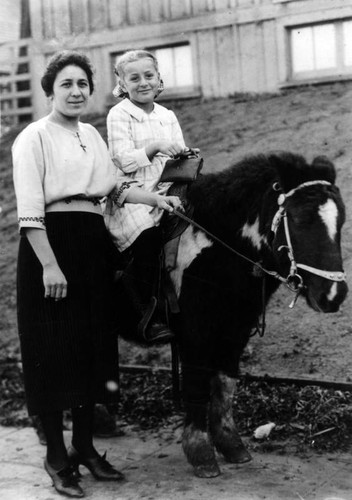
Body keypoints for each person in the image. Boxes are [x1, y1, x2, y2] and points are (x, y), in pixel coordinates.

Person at [12, 50, 181, 498]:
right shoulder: (33, 137)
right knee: (54, 348)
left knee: (91, 347)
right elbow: (29, 212)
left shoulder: (91, 134)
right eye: (66, 84)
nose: (75, 92)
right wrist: (49, 264)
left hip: (92, 242)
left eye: (82, 84)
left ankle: (86, 448)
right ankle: (56, 458)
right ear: (50, 91)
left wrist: (154, 199)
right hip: (50, 244)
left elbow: (114, 187)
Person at [105, 49, 190, 344]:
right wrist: (154, 147)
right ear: (122, 83)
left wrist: (185, 156)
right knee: (147, 234)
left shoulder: (167, 115)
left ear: (158, 78)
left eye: (148, 75)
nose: (143, 82)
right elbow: (122, 160)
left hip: (166, 187)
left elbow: (177, 154)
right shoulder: (119, 114)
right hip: (131, 193)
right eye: (134, 78)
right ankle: (148, 311)